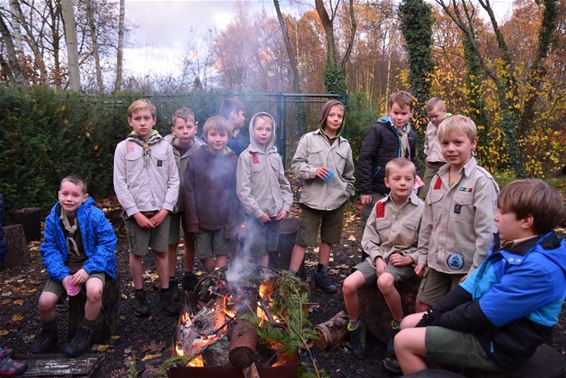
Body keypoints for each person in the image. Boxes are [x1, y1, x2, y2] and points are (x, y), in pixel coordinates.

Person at [394, 179, 566, 375]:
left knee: (403, 341)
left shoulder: (539, 269)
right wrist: (432, 315)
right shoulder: (515, 244)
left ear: (526, 221)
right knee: (408, 323)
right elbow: (472, 284)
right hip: (492, 328)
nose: (495, 217)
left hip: (501, 345)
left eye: (502, 212)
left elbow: (482, 315)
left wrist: (437, 320)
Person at [415, 115, 499, 312]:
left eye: (458, 142)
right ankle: (421, 342)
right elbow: (427, 221)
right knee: (422, 305)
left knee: (456, 312)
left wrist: (477, 270)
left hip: (466, 267)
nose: (451, 148)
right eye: (445, 143)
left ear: (473, 144)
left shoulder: (481, 182)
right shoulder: (437, 178)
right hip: (437, 261)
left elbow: (487, 231)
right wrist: (422, 256)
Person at [342, 158, 423, 358]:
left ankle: (398, 326)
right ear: (387, 182)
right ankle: (355, 326)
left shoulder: (422, 209)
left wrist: (410, 259)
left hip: (402, 260)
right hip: (378, 257)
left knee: (385, 281)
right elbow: (369, 238)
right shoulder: (379, 206)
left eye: (407, 179)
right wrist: (377, 259)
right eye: (397, 178)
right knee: (348, 285)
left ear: (415, 182)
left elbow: (428, 245)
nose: (402, 183)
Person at [31, 175, 117, 357]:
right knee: (45, 302)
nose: (69, 199)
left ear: (84, 198)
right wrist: (62, 275)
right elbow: (49, 249)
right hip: (64, 267)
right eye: (65, 194)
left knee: (94, 290)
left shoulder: (95, 215)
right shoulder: (52, 219)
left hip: (92, 264)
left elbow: (108, 243)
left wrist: (88, 269)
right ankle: (49, 334)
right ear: (58, 195)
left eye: (75, 195)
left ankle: (83, 333)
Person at [113, 99, 180, 317]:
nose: (142, 123)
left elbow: (173, 180)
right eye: (138, 119)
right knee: (137, 254)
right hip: (136, 214)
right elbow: (120, 183)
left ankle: (165, 292)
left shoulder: (165, 147)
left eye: (146, 118)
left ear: (154, 120)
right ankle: (139, 295)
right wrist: (134, 212)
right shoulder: (123, 148)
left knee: (162, 252)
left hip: (161, 212)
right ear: (130, 121)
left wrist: (165, 209)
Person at [288, 99, 355, 293]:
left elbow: (350, 176)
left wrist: (347, 193)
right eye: (332, 115)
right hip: (312, 201)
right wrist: (313, 171)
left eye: (339, 116)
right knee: (303, 240)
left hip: (336, 203)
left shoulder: (345, 146)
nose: (336, 119)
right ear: (325, 116)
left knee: (328, 240)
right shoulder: (309, 139)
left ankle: (321, 275)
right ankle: (291, 279)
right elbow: (296, 166)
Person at [357, 91, 423, 226]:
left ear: (411, 113)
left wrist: (416, 176)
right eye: (395, 113)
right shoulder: (378, 130)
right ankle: (368, 248)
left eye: (403, 114)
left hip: (401, 190)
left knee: (396, 226)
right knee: (373, 224)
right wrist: (365, 190)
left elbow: (412, 160)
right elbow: (365, 158)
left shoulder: (411, 136)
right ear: (389, 111)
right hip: (378, 189)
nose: (399, 117)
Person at [236, 112, 293, 267]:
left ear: (272, 131)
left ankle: (264, 283)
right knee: (254, 250)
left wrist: (285, 208)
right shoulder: (246, 157)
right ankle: (249, 283)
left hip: (275, 217)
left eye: (268, 129)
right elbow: (243, 191)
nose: (264, 132)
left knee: (268, 250)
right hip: (256, 217)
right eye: (260, 129)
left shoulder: (276, 157)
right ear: (252, 130)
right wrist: (258, 213)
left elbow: (284, 185)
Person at [184, 116, 239, 273]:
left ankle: (217, 289)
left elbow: (235, 194)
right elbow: (188, 190)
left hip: (223, 220)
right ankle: (215, 281)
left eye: (222, 135)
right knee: (204, 254)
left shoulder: (233, 160)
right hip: (201, 220)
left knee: (222, 253)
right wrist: (192, 220)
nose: (218, 139)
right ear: (205, 135)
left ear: (228, 137)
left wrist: (231, 222)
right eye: (213, 134)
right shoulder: (196, 157)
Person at [164, 107, 205, 293]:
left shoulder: (202, 149)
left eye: (189, 126)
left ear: (195, 128)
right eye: (180, 127)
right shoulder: (163, 147)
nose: (185, 131)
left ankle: (188, 274)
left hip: (192, 204)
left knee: (190, 240)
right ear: (173, 130)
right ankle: (170, 278)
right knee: (171, 242)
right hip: (169, 203)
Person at [420, 97, 449, 200]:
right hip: (431, 163)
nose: (433, 119)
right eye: (430, 117)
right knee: (425, 191)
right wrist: (427, 153)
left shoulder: (451, 124)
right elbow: (427, 141)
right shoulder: (430, 125)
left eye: (436, 116)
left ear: (444, 111)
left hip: (446, 162)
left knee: (445, 191)